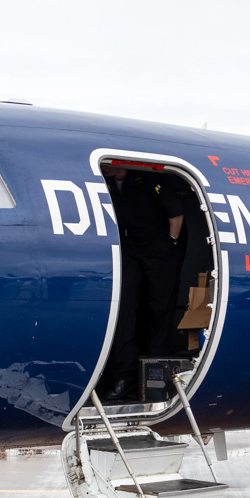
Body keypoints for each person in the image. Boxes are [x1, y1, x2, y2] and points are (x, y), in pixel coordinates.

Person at [100, 164, 192, 400]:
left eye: (110, 164)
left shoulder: (149, 179)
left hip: (161, 246)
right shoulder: (103, 184)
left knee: (159, 307)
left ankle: (155, 375)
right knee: (125, 307)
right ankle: (125, 376)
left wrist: (170, 243)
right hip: (132, 247)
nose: (106, 168)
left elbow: (176, 213)